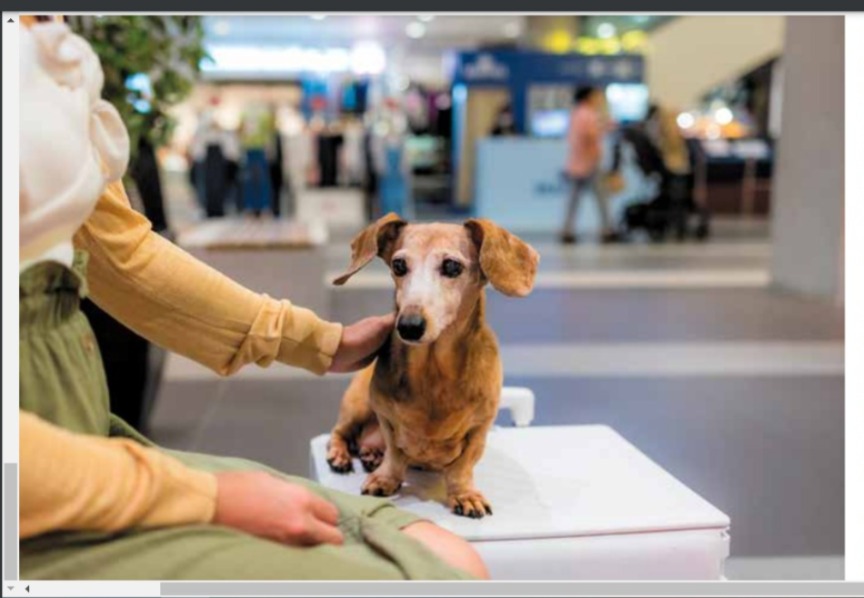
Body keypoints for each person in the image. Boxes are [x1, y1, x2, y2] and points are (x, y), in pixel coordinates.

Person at [18, 17, 487, 581]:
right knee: (437, 576)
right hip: (30, 484)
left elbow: (123, 253)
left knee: (452, 553)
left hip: (77, 432)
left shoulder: (40, 29)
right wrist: (203, 497)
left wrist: (321, 342)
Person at [561, 86, 620, 244]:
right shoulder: (589, 114)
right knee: (601, 198)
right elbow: (590, 137)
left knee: (574, 200)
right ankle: (608, 230)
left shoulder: (576, 113)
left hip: (576, 162)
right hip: (589, 163)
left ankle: (567, 230)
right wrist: (596, 156)